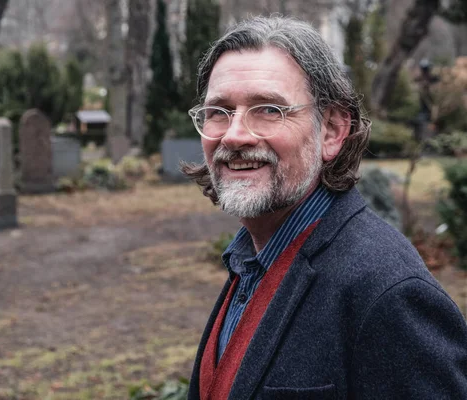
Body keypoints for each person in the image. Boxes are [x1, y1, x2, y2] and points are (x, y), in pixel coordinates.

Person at [181, 15, 467, 400]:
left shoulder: (388, 293)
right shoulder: (252, 257)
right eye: (219, 111)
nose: (234, 135)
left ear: (332, 130)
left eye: (268, 109)